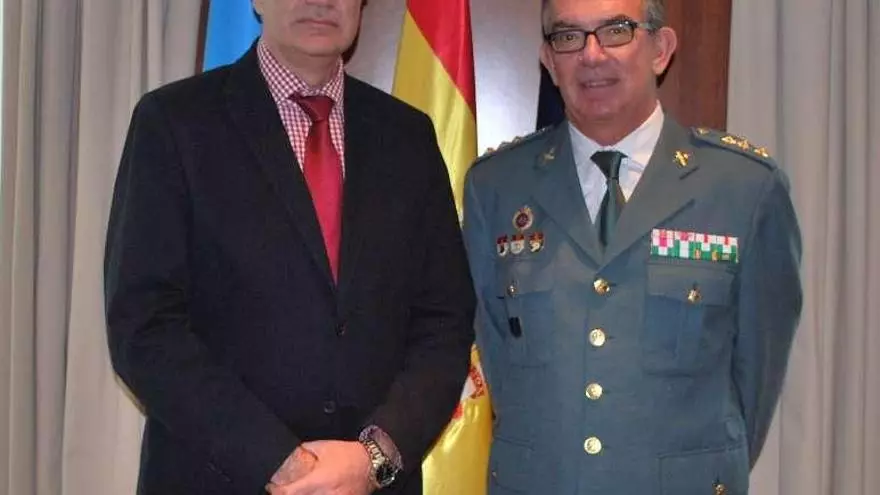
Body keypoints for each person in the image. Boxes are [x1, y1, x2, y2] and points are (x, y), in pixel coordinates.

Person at [104, 0, 475, 493]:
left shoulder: (408, 136)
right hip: (214, 478)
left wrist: (372, 459)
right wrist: (281, 462)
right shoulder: (174, 122)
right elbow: (145, 327)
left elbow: (444, 323)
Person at [462, 0, 802, 493]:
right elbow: (493, 355)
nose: (591, 55)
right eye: (568, 37)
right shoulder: (496, 186)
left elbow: (757, 376)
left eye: (616, 31)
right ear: (548, 60)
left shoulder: (744, 187)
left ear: (660, 49)